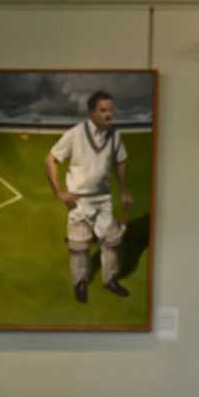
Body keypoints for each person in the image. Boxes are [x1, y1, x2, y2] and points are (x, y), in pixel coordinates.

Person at [45, 90, 132, 303]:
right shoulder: (75, 133)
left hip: (103, 199)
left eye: (110, 110)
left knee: (111, 241)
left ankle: (110, 279)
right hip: (79, 200)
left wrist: (123, 189)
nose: (108, 115)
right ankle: (80, 282)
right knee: (79, 246)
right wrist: (59, 192)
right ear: (91, 112)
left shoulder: (115, 135)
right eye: (103, 110)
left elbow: (120, 161)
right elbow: (51, 159)